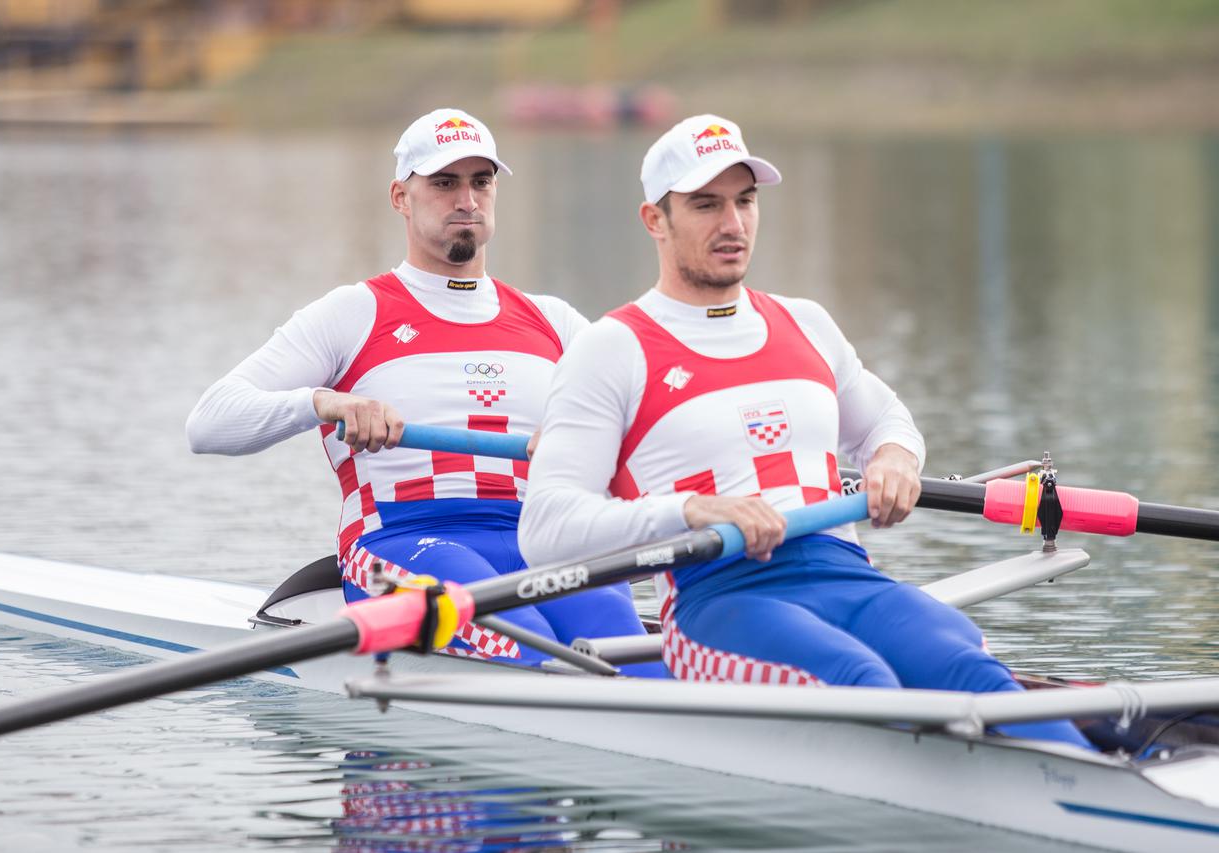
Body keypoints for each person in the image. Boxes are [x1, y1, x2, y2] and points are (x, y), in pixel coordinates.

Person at [519, 114, 1090, 746]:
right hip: (722, 598)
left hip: (849, 575)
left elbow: (888, 422)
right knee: (863, 682)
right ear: (655, 219)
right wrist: (690, 511)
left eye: (745, 201)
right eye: (706, 205)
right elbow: (545, 529)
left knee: (970, 671)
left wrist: (894, 459)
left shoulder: (806, 323)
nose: (733, 224)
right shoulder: (612, 349)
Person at [186, 108, 660, 672]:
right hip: (402, 541)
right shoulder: (354, 313)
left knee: (634, 655)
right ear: (400, 197)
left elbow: (652, 429)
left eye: (481, 181)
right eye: (443, 183)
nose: (467, 200)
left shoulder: (554, 322)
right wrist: (324, 403)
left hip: (543, 539)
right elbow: (209, 423)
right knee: (532, 647)